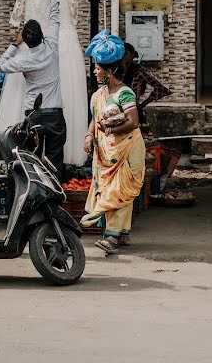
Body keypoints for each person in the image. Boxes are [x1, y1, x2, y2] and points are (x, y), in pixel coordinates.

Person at [0, 0, 67, 179]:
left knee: (33, 162)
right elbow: (54, 11)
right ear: (43, 34)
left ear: (26, 40)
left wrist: (13, 44)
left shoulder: (23, 59)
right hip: (55, 115)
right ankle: (56, 197)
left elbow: (1, 65)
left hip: (34, 117)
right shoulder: (53, 46)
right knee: (55, 162)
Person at [81, 30, 146, 255]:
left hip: (127, 149)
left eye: (98, 68)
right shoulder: (97, 95)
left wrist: (109, 128)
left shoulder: (124, 94)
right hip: (106, 151)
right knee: (109, 188)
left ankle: (111, 238)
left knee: (120, 188)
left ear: (109, 72)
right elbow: (95, 118)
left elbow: (134, 122)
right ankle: (122, 232)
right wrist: (90, 136)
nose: (94, 71)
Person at [123, 42, 172, 126]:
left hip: (133, 111)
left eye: (126, 54)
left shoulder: (138, 71)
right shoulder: (116, 70)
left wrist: (143, 104)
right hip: (117, 112)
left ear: (132, 55)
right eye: (121, 54)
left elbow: (160, 88)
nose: (123, 56)